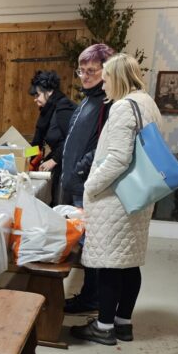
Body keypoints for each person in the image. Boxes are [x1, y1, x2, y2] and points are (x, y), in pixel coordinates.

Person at [70, 54, 157, 347]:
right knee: (129, 263)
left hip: (116, 198)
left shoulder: (122, 107)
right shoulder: (147, 103)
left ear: (117, 78)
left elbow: (118, 158)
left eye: (105, 78)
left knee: (110, 263)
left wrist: (91, 185)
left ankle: (104, 326)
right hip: (139, 194)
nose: (103, 84)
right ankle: (123, 323)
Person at [60, 43, 115, 314]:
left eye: (91, 70)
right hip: (76, 184)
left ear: (107, 71)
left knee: (92, 247)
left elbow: (103, 146)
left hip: (87, 186)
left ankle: (91, 299)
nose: (85, 76)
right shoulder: (89, 100)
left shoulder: (107, 103)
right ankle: (88, 296)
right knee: (86, 245)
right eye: (81, 70)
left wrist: (80, 170)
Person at [28, 69, 76, 205]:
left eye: (37, 95)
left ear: (49, 91)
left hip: (66, 166)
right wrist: (27, 158)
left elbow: (72, 139)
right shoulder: (47, 110)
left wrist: (53, 160)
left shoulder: (63, 107)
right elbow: (37, 141)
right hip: (58, 161)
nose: (35, 99)